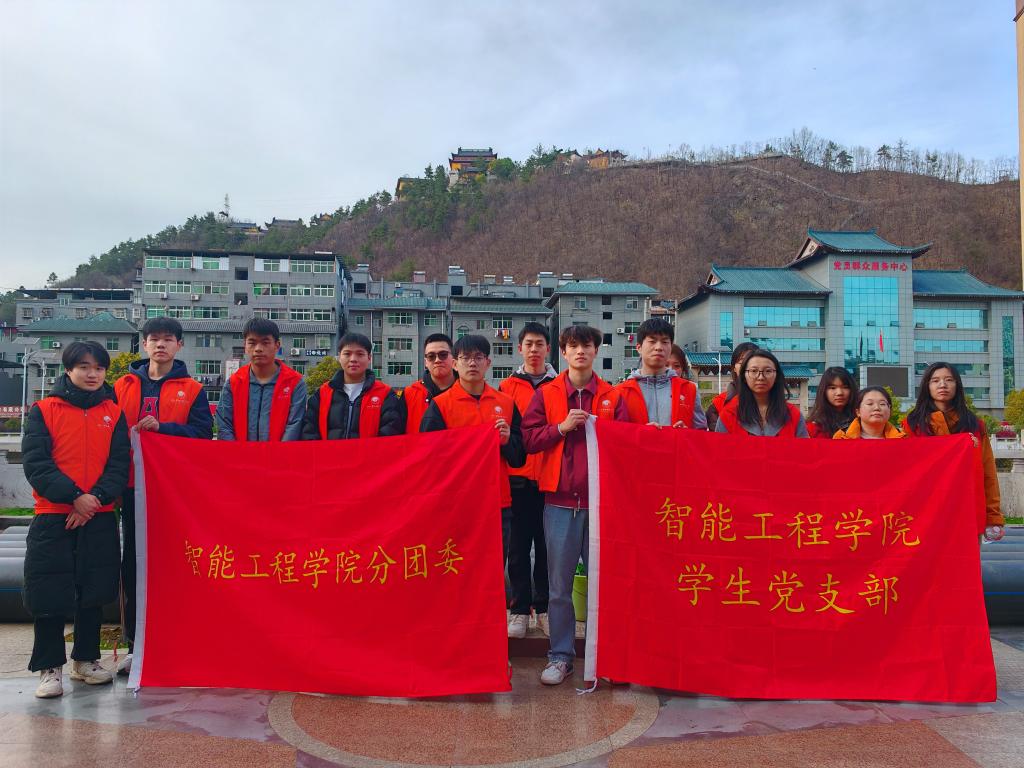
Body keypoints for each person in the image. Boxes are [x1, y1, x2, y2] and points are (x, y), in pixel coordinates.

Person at [22, 341, 130, 698]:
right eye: (83, 367)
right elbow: (36, 463)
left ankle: (85, 660)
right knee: (49, 594)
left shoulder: (113, 413)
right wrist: (74, 497)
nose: (92, 374)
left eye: (98, 368)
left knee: (93, 592)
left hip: (98, 516)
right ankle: (49, 667)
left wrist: (93, 500)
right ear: (68, 370)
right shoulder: (43, 410)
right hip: (54, 516)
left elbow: (119, 465)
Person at [522, 325, 629, 686]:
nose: (580, 351)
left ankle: (606, 658)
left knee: (605, 586)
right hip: (559, 503)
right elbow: (529, 439)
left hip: (601, 506)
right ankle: (560, 656)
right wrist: (561, 427)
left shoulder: (613, 396)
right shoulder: (548, 393)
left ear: (596, 351)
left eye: (587, 345)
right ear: (563, 353)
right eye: (573, 346)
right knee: (559, 587)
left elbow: (628, 444)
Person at [113, 316, 212, 676]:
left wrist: (164, 429)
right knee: (133, 564)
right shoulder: (121, 386)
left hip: (173, 491)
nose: (160, 345)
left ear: (179, 345)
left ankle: (178, 640)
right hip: (131, 488)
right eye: (153, 339)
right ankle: (134, 645)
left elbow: (202, 434)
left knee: (176, 563)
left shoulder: (193, 389)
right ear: (144, 345)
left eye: (168, 339)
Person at [421, 335, 526, 566]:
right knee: (456, 569)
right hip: (456, 505)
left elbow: (519, 458)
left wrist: (507, 441)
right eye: (465, 357)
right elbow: (428, 459)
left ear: (488, 363)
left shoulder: (506, 403)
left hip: (497, 504)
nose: (472, 363)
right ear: (454, 364)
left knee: (493, 569)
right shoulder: (440, 405)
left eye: (478, 357)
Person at [499, 322, 557, 639]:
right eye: (529, 344)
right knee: (518, 549)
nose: (534, 349)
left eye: (540, 344)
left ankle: (544, 608)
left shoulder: (559, 386)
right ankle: (520, 610)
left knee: (548, 549)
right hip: (517, 481)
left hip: (550, 480)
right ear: (519, 348)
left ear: (548, 349)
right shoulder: (505, 388)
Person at [903, 362, 1004, 540]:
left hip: (967, 509)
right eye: (935, 380)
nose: (942, 385)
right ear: (927, 386)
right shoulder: (912, 425)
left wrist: (993, 516)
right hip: (926, 512)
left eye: (949, 380)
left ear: (957, 385)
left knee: (966, 557)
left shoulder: (974, 425)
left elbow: (988, 473)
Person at [215, 318, 306, 441]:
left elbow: (295, 425)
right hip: (239, 453)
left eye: (265, 342)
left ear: (277, 345)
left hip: (280, 453)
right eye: (252, 343)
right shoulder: (234, 383)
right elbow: (224, 425)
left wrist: (279, 452)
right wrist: (236, 451)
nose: (258, 348)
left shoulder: (294, 382)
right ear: (245, 346)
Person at [302, 332, 405, 439]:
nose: (353, 359)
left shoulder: (385, 394)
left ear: (369, 358)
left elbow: (391, 430)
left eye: (360, 354)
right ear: (339, 357)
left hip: (369, 450)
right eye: (347, 354)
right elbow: (309, 430)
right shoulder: (323, 393)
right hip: (329, 450)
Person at [615, 318, 707, 429]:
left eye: (664, 342)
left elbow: (701, 432)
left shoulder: (689, 389)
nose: (659, 347)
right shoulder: (620, 392)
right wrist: (640, 433)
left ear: (670, 347)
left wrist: (686, 433)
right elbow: (615, 433)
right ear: (639, 348)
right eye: (652, 341)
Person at [715, 348, 809, 437]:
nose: (760, 377)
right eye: (754, 371)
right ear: (744, 376)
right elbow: (718, 448)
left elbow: (805, 448)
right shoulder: (728, 415)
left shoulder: (793, 415)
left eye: (768, 371)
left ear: (777, 376)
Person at [402, 333, 458, 434]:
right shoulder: (408, 395)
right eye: (431, 356)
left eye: (443, 355)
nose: (437, 360)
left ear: (453, 358)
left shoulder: (467, 392)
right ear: (426, 362)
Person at [704, 341, 758, 432]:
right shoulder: (719, 403)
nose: (748, 367)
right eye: (742, 362)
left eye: (752, 362)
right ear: (734, 368)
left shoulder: (775, 402)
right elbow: (716, 437)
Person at [833, 386, 906, 439]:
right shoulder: (842, 437)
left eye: (882, 404)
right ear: (858, 412)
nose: (877, 408)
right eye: (870, 404)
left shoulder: (903, 438)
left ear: (889, 409)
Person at [807, 367, 858, 439]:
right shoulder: (814, 427)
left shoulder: (863, 422)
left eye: (845, 387)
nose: (839, 393)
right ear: (824, 391)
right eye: (833, 388)